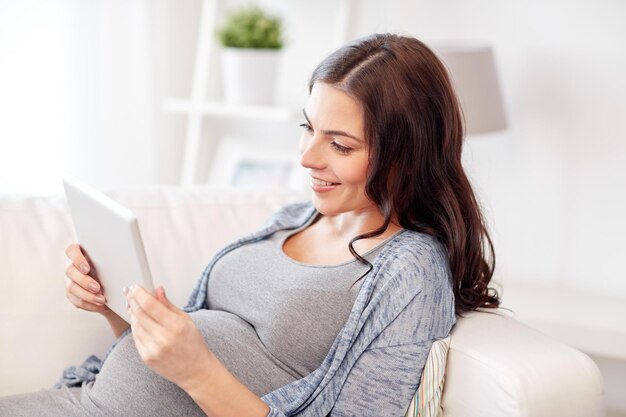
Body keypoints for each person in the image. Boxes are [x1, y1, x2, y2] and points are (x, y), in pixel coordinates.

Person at [0, 33, 499, 417]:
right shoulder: (291, 217)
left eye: (340, 145)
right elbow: (169, 355)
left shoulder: (408, 271)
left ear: (406, 157)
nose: (306, 157)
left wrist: (197, 371)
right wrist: (116, 307)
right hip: (77, 400)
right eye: (307, 127)